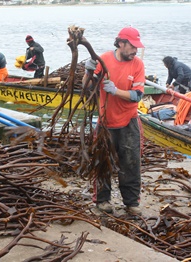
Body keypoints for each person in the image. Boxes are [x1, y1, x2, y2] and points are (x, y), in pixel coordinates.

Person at [82, 26, 145, 216]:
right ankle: (102, 200)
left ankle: (131, 203)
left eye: (136, 47)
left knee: (131, 163)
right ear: (121, 43)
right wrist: (88, 70)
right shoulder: (105, 60)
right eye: (132, 46)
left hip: (129, 122)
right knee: (102, 162)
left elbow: (137, 95)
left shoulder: (137, 64)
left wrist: (115, 90)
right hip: (105, 122)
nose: (135, 50)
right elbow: (87, 87)